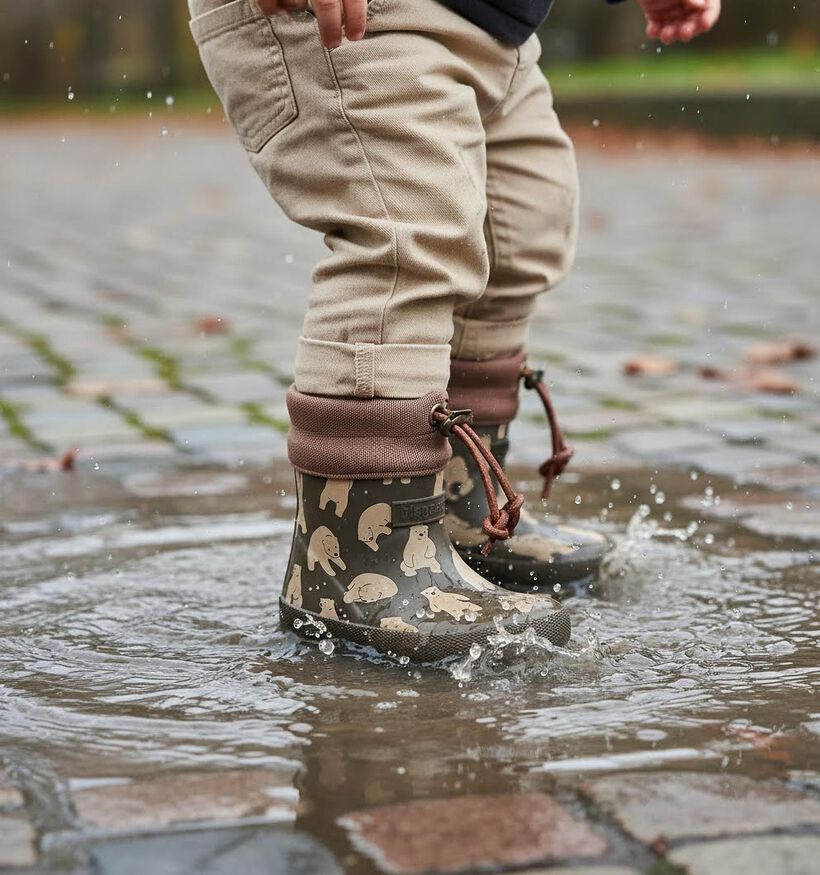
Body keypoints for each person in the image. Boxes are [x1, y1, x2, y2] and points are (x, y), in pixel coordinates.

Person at [188, 0, 722, 661]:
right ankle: (357, 564)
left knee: (522, 232)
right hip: (358, 16)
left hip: (498, 30)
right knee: (406, 231)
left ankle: (454, 516)